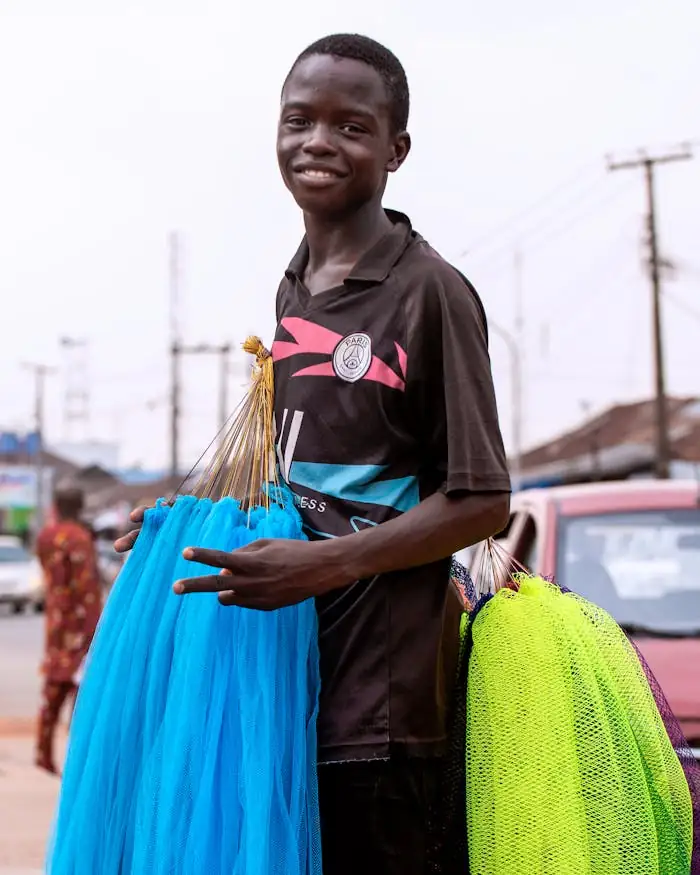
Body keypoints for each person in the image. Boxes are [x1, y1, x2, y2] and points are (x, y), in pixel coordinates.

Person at [116, 33, 511, 874]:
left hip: (383, 715)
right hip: (285, 689)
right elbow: (299, 485)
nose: (318, 142)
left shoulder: (428, 292)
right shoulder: (295, 288)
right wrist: (182, 524)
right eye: (299, 120)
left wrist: (320, 568)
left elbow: (482, 499)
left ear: (396, 149)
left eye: (350, 126)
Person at [35, 486, 102, 775]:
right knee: (81, 694)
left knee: (52, 688)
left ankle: (43, 751)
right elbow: (87, 589)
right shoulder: (79, 538)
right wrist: (95, 629)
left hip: (56, 623)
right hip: (78, 628)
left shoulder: (45, 537)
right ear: (80, 505)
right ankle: (76, 758)